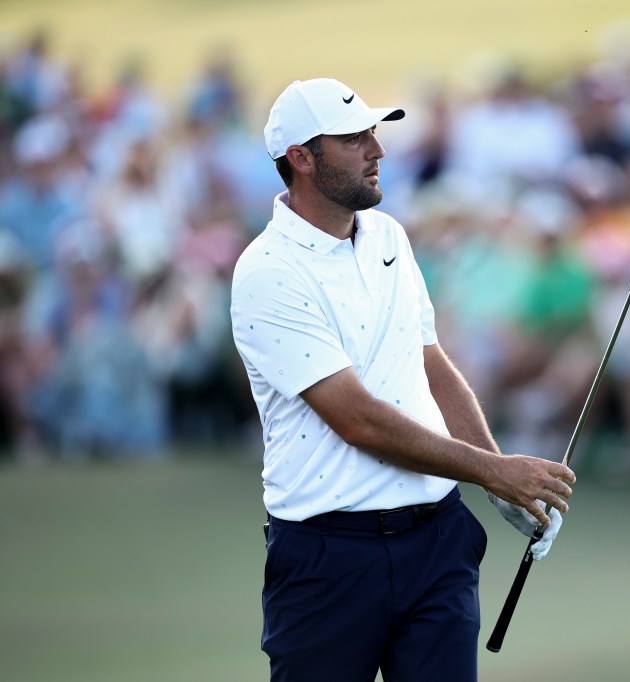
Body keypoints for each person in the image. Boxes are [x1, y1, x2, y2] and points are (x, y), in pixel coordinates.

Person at [229, 78, 576, 682]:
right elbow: (356, 419)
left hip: (437, 543)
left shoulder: (389, 236)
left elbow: (431, 364)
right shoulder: (266, 272)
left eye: (373, 132)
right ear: (301, 159)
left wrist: (498, 485)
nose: (377, 148)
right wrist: (495, 472)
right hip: (327, 557)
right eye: (353, 138)